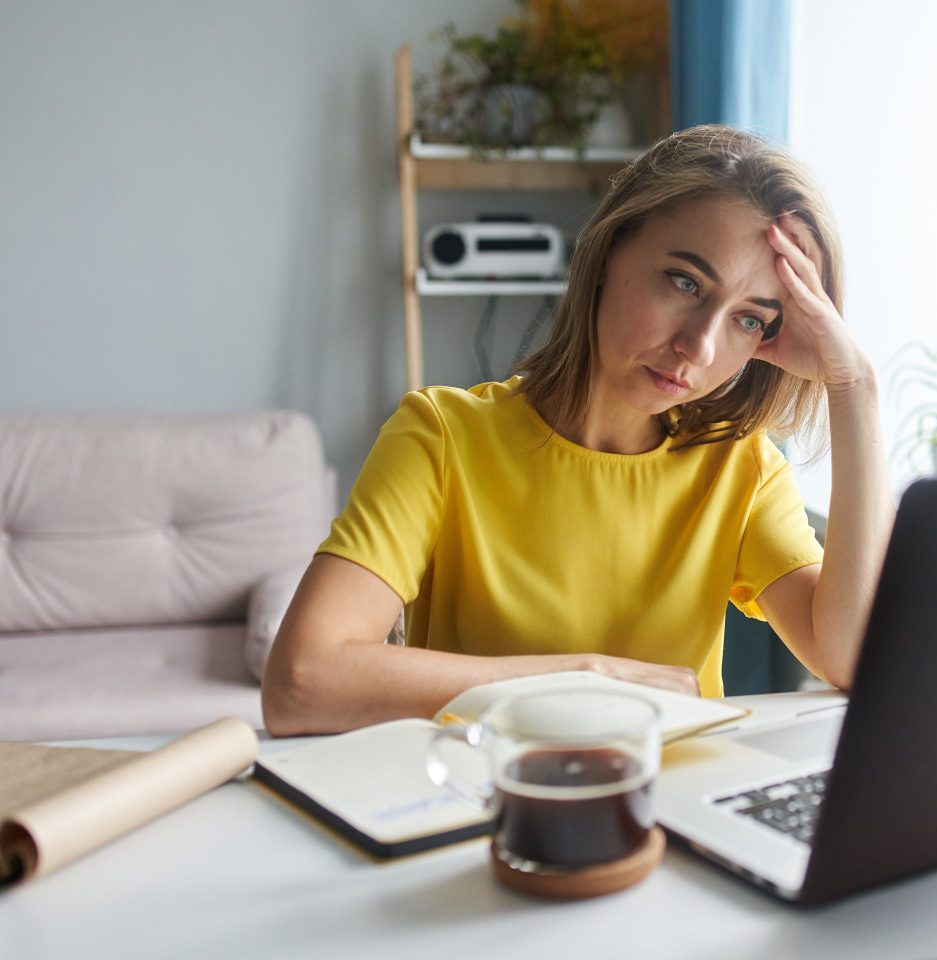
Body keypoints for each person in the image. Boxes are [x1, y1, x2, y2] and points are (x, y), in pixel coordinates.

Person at [262, 124, 893, 736]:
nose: (698, 347)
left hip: (672, 814)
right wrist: (588, 679)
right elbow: (302, 681)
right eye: (685, 282)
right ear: (607, 252)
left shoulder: (741, 468)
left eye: (749, 320)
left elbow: (850, 660)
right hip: (482, 809)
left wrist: (854, 388)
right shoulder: (443, 436)